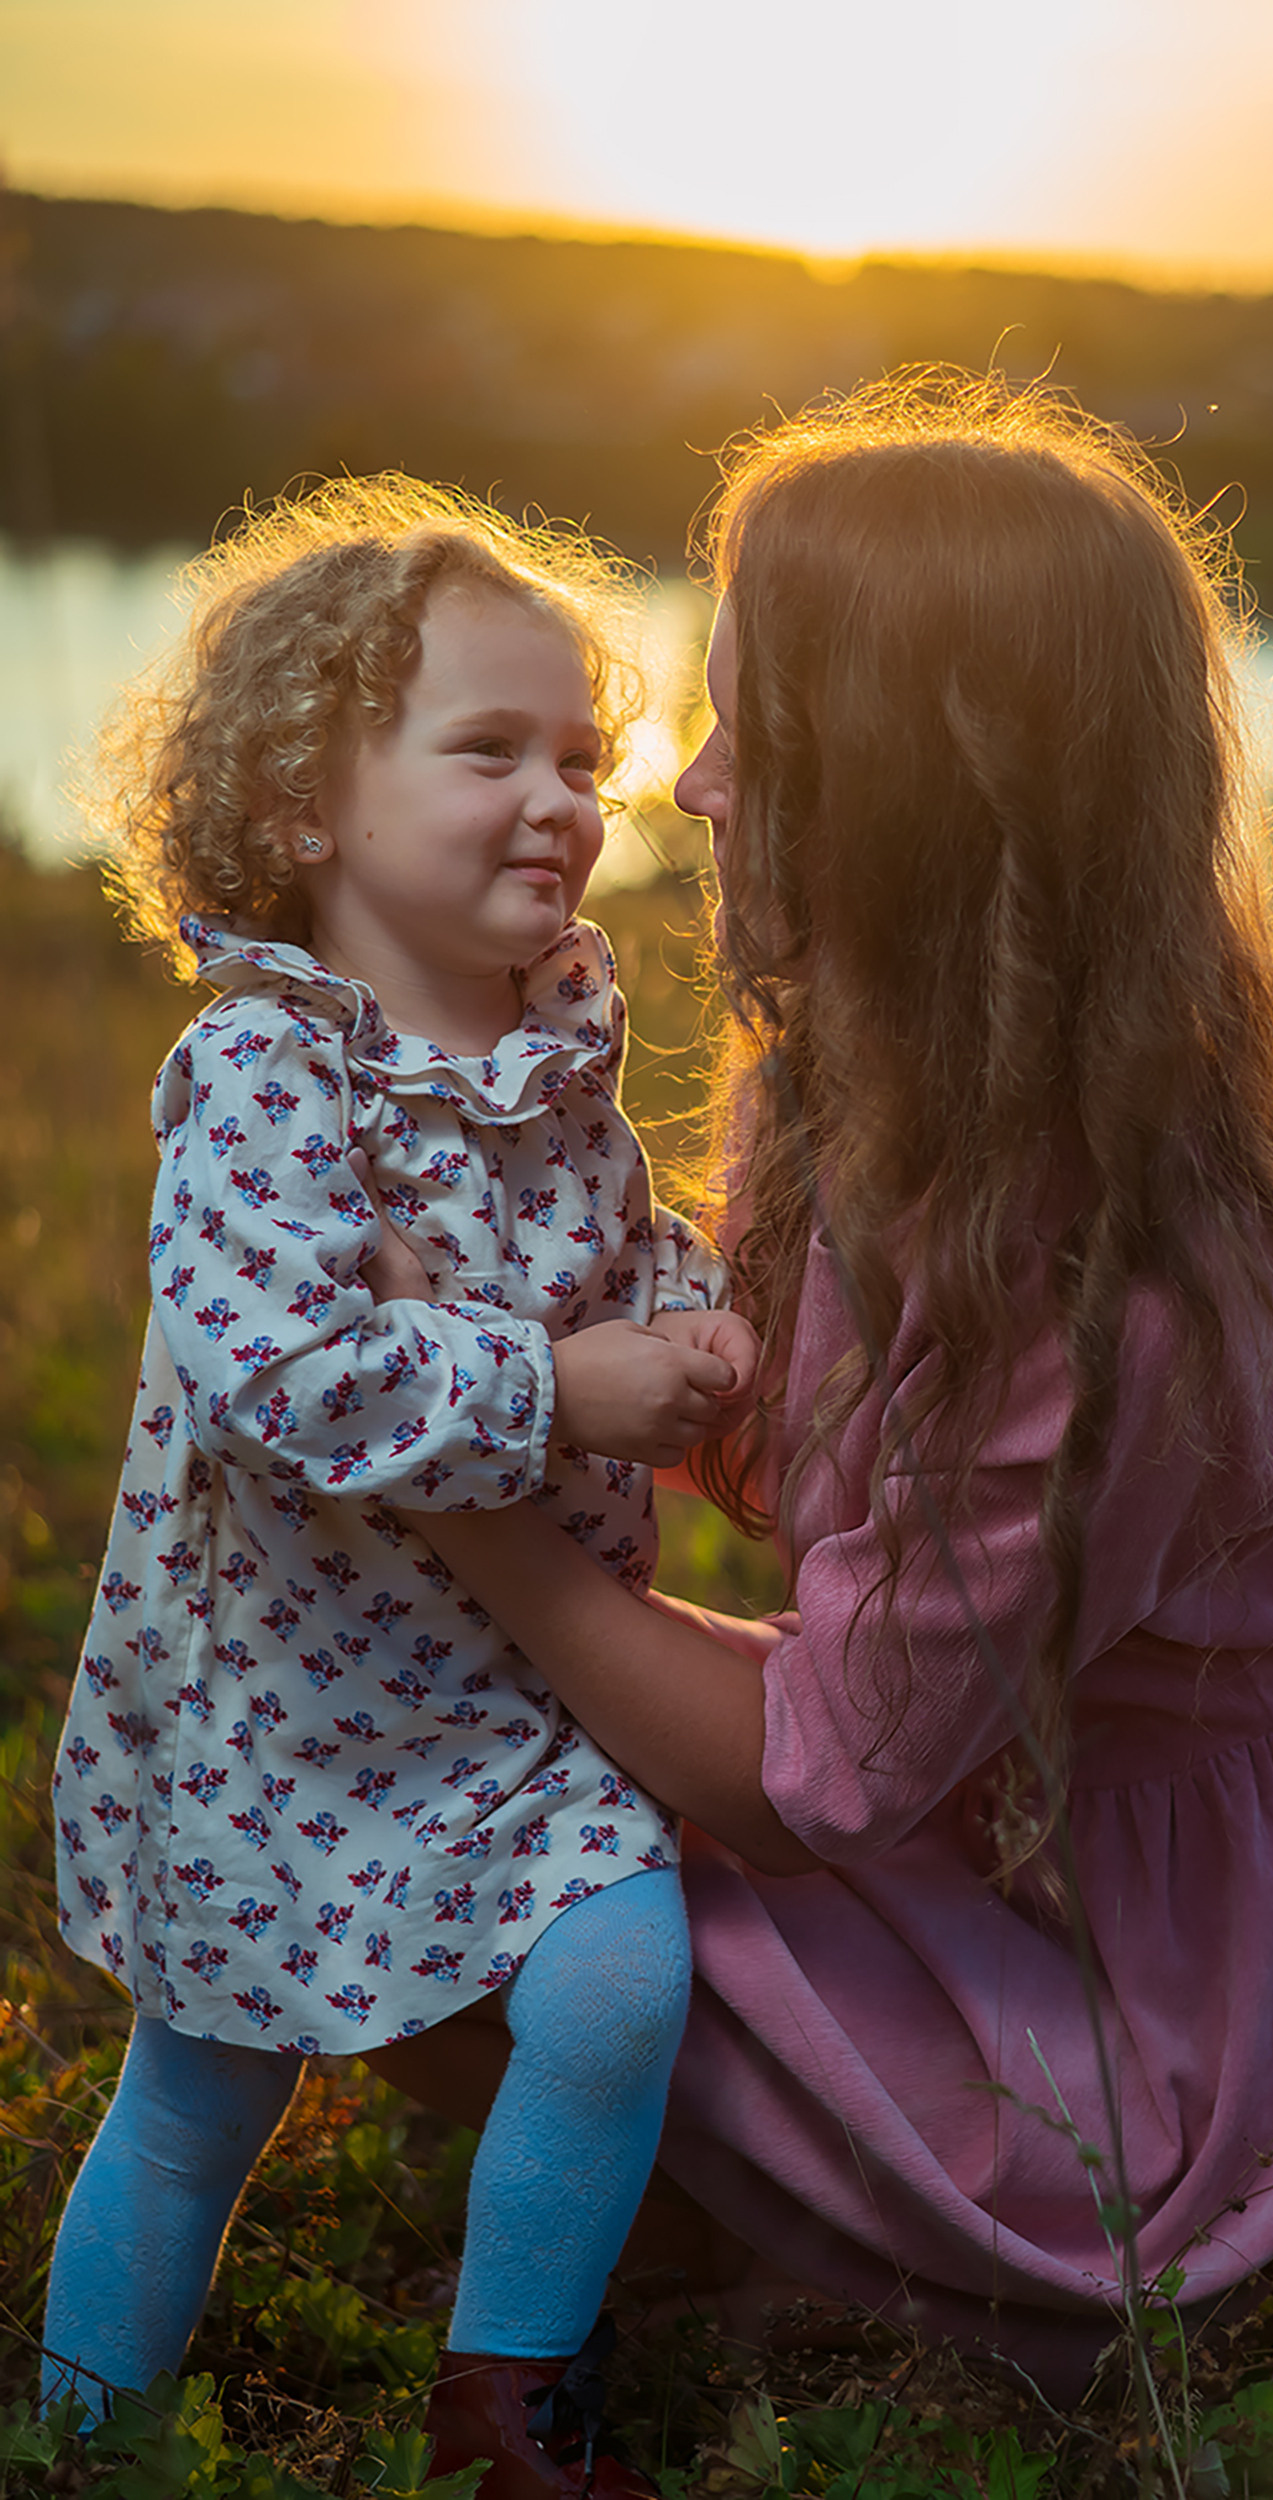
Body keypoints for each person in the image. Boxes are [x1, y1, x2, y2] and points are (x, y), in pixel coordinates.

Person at [365, 372, 1273, 2405]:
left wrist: (460, 1493)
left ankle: (887, 2261)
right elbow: (792, 1455)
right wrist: (537, 1342)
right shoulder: (840, 1068)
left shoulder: (1116, 1291)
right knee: (373, 1825)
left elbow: (817, 1771)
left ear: (912, 803)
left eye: (749, 738)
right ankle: (751, 2203)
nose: (688, 790)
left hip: (1153, 1947)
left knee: (421, 1897)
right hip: (978, 1752)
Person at [43, 475, 758, 2497]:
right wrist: (551, 1384)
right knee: (202, 2082)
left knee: (620, 1978)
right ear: (304, 808)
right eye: (490, 750)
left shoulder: (564, 1041)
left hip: (516, 1694)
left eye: (582, 758)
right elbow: (279, 1372)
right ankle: (87, 2431)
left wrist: (695, 1316)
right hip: (277, 1700)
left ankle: (504, 2406)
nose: (560, 797)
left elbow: (620, 1243)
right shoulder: (266, 1081)